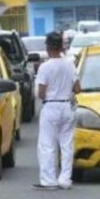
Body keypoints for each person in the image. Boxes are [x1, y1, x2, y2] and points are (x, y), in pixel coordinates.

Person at [33, 31, 81, 190]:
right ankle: (65, 179)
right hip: (67, 106)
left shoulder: (45, 67)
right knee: (67, 144)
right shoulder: (70, 64)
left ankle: (49, 180)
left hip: (51, 106)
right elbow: (78, 88)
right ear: (61, 46)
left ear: (47, 47)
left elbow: (41, 93)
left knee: (47, 144)